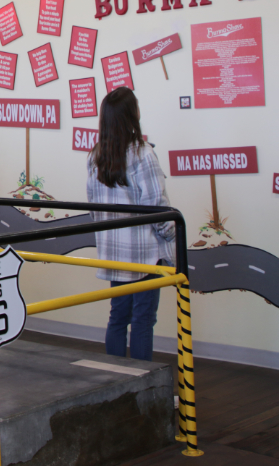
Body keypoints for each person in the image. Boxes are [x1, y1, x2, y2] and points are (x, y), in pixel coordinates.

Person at [86, 87, 175, 361]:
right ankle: (142, 387)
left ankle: (118, 383)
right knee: (142, 320)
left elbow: (92, 206)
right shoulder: (143, 154)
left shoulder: (96, 155)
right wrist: (172, 237)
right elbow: (157, 206)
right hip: (144, 255)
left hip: (114, 254)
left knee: (118, 318)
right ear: (132, 115)